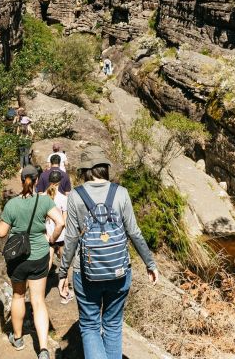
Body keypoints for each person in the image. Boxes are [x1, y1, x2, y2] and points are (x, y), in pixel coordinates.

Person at [57, 148, 159, 359]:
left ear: (85, 170)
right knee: (113, 325)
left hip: (85, 273)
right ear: (104, 167)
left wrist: (62, 272)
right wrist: (150, 264)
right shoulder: (120, 193)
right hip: (118, 271)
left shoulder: (76, 196)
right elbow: (134, 232)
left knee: (90, 326)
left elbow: (71, 239)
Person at [0, 165, 65, 359]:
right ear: (36, 181)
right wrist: (51, 239)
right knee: (38, 301)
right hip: (39, 256)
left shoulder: (11, 205)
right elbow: (60, 222)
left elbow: (1, 232)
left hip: (18, 259)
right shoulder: (44, 201)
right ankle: (43, 349)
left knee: (18, 296)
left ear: (21, 180)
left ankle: (17, 338)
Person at [42, 169, 69, 276]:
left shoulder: (42, 197)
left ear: (49, 181)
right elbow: (64, 219)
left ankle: (41, 285)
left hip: (47, 233)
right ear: (60, 182)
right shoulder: (63, 198)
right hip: (61, 234)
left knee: (47, 263)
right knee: (64, 264)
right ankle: (65, 286)